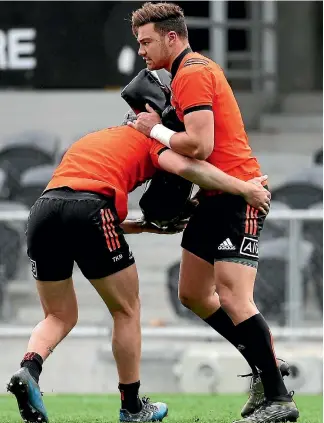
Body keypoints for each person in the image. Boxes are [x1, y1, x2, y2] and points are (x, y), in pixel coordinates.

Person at [7, 107, 270, 423]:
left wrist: (142, 225)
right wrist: (243, 187)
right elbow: (188, 170)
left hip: (42, 211)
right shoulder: (156, 142)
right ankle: (132, 407)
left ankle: (29, 369)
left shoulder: (95, 139)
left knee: (58, 314)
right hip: (91, 208)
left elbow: (74, 201)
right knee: (126, 309)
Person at [129, 3, 299, 423]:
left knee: (234, 296)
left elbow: (201, 146)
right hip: (213, 196)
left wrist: (154, 130)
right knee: (192, 293)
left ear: (172, 36)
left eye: (146, 41)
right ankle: (268, 367)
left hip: (239, 194)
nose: (141, 51)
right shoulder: (185, 75)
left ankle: (279, 399)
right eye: (138, 43)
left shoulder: (193, 73)